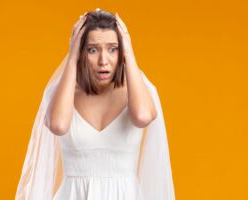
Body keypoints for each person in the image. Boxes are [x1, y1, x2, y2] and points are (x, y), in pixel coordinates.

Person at [15, 8, 175, 200]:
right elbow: (58, 125)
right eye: (92, 50)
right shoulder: (61, 93)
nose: (103, 61)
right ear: (81, 52)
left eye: (113, 49)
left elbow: (142, 117)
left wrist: (129, 54)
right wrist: (72, 55)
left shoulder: (139, 91)